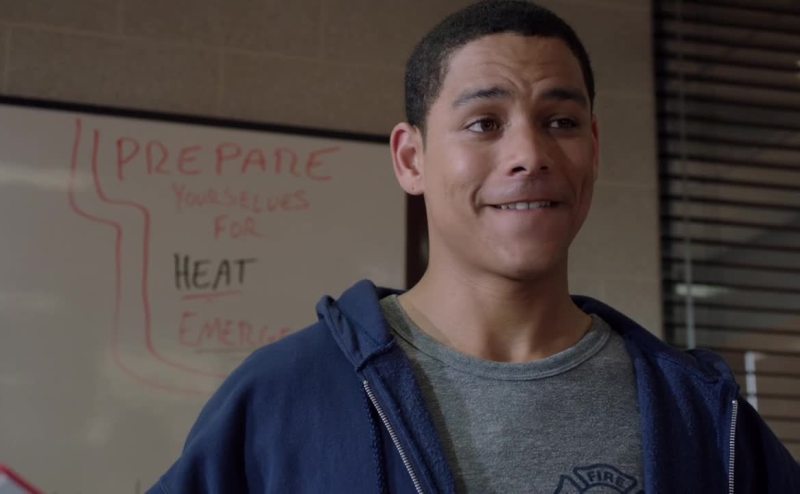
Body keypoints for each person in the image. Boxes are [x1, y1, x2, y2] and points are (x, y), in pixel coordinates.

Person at [150, 1, 800, 492]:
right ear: (411, 158)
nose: (530, 155)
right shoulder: (287, 395)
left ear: (595, 150)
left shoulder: (702, 411)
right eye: (485, 123)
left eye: (561, 122)